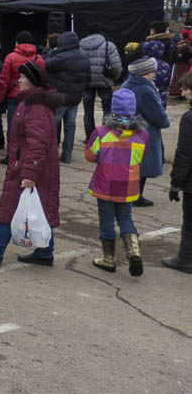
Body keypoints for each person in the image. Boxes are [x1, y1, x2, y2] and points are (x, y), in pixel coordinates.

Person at [0, 62, 62, 266]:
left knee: (12, 208)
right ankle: (44, 252)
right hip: (28, 165)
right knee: (38, 209)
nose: (19, 80)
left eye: (23, 77)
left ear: (33, 81)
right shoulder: (30, 101)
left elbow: (38, 143)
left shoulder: (35, 106)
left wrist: (30, 174)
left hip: (29, 167)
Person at [84, 88, 148, 276]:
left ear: (113, 108)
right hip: (129, 184)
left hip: (105, 183)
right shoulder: (142, 134)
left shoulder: (102, 132)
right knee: (126, 218)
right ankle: (133, 252)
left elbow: (90, 156)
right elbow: (141, 158)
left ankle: (109, 258)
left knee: (106, 220)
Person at [121, 57, 171, 207]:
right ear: (143, 73)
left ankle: (131, 194)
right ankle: (136, 196)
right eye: (151, 72)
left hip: (129, 129)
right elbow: (157, 114)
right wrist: (165, 121)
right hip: (144, 131)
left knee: (133, 164)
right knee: (142, 165)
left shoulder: (127, 85)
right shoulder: (144, 90)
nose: (154, 75)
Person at [44, 32, 91, 163]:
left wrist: (52, 52)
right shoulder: (84, 57)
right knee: (70, 127)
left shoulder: (61, 57)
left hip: (59, 97)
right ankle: (67, 155)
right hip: (75, 99)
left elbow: (44, 64)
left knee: (52, 125)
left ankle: (50, 153)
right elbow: (88, 80)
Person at [0, 30, 44, 148]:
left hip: (14, 97)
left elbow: (4, 81)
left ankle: (12, 153)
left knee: (13, 126)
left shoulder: (10, 57)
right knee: (30, 126)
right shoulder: (39, 59)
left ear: (17, 43)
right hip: (32, 97)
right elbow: (42, 80)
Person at [165, 71, 192, 273]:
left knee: (189, 221)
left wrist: (176, 183)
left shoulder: (189, 118)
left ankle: (185, 258)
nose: (183, 93)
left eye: (186, 89)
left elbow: (184, 153)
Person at [79, 28, 122, 143]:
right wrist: (113, 79)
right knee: (107, 110)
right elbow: (117, 66)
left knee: (88, 111)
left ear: (87, 33)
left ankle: (90, 138)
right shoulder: (108, 45)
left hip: (87, 82)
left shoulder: (80, 46)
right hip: (105, 81)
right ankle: (106, 137)